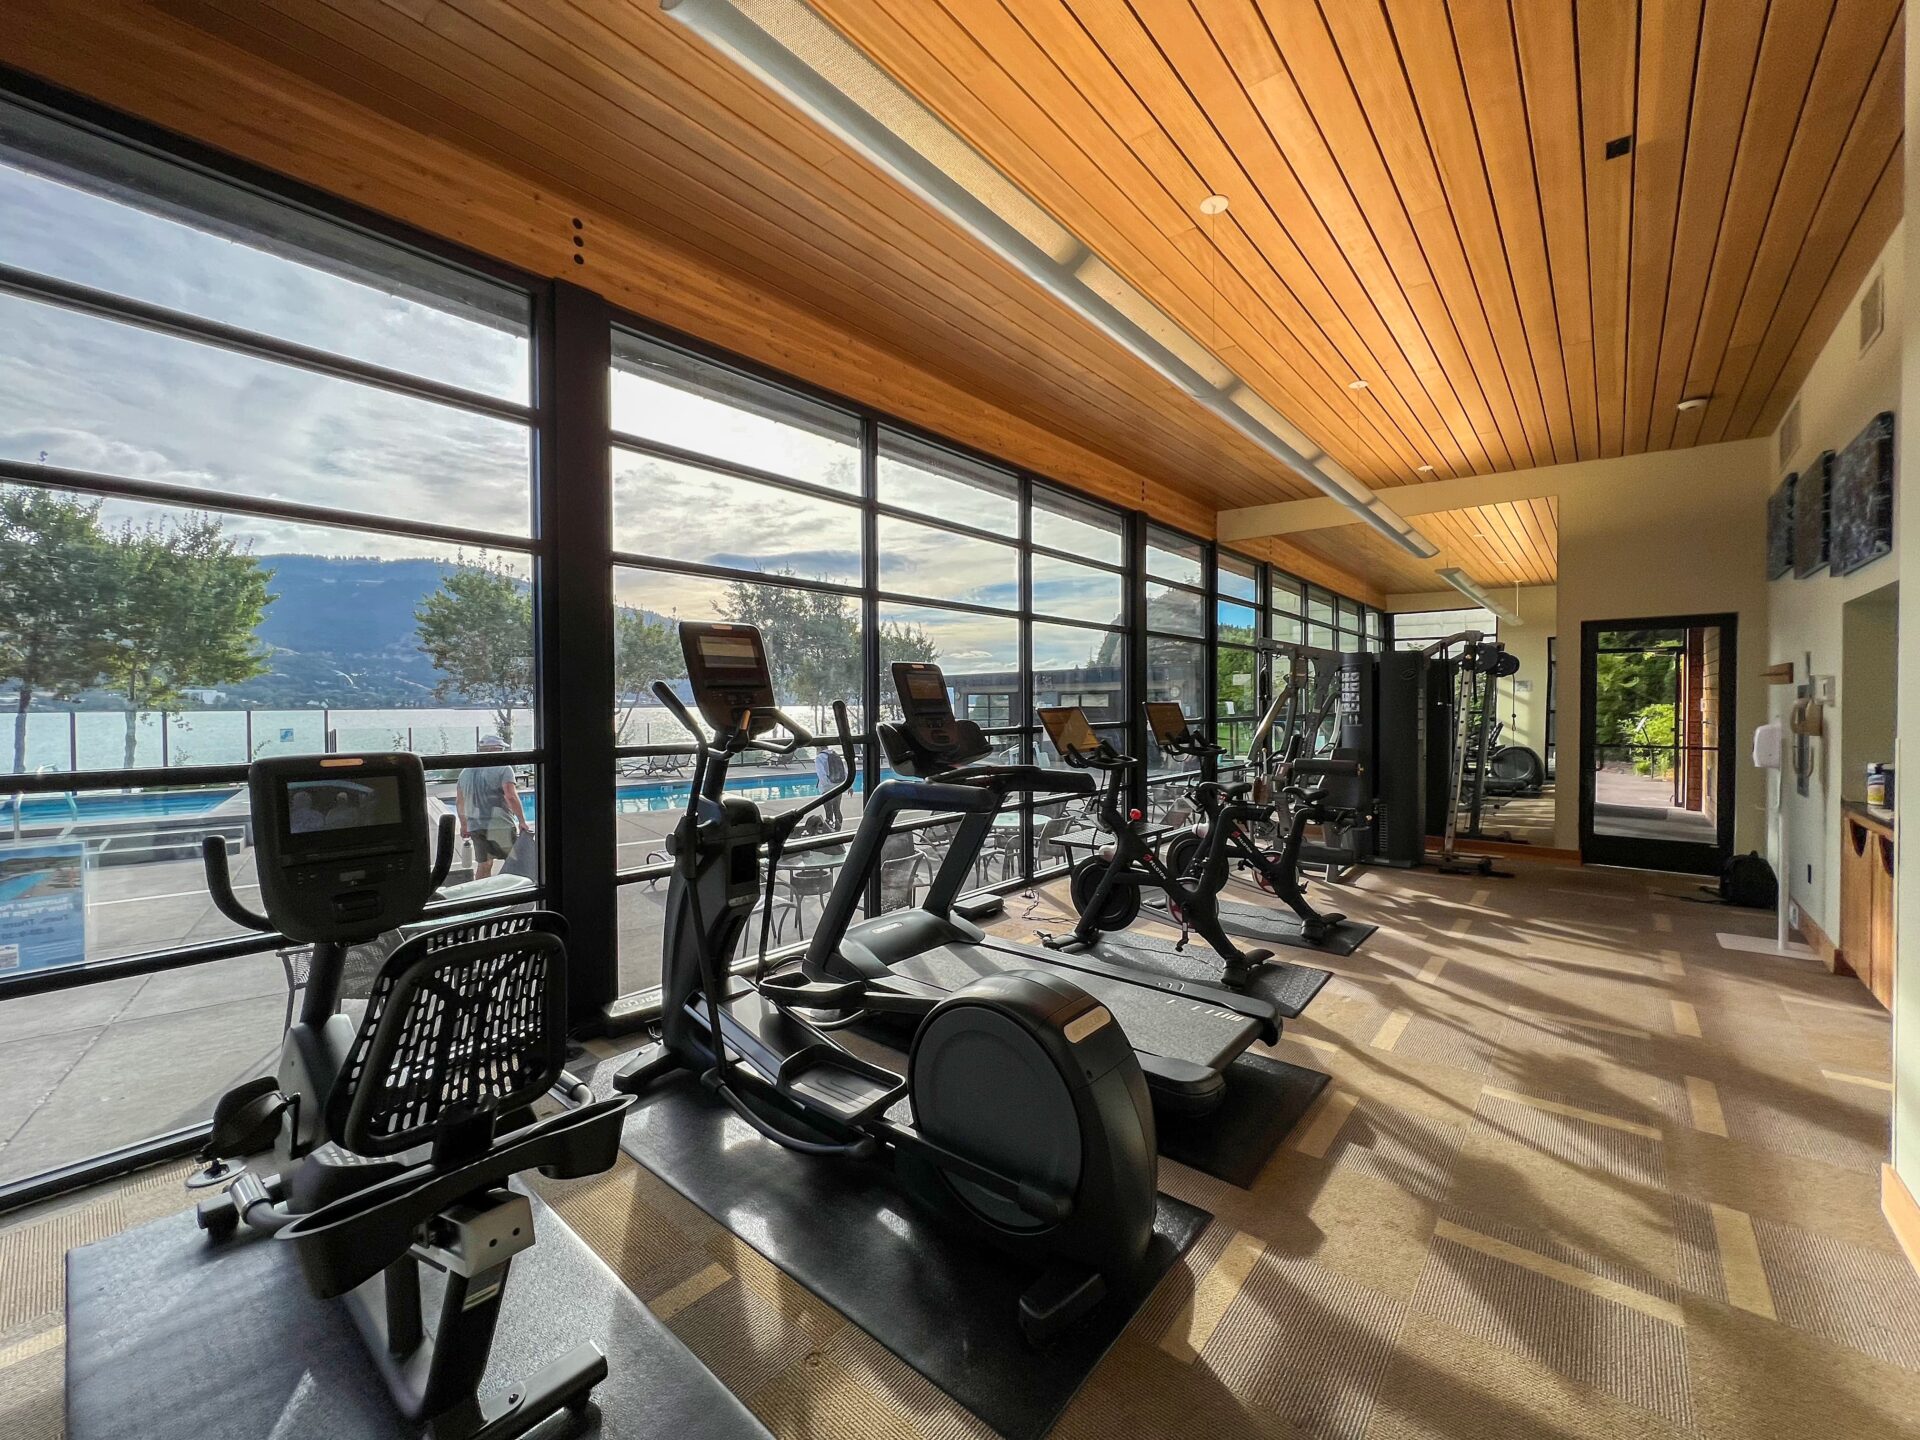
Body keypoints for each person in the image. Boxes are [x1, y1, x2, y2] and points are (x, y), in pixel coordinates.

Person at [456, 736, 532, 879]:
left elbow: (460, 801)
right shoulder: (504, 768)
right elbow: (510, 796)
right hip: (500, 825)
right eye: (501, 749)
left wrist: (464, 825)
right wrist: (522, 821)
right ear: (493, 750)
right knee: (514, 863)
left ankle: (482, 892)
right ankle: (514, 892)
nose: (503, 752)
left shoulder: (465, 772)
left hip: (476, 826)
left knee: (484, 865)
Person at [814, 742, 846, 830]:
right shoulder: (835, 754)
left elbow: (821, 774)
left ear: (819, 748)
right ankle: (838, 828)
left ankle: (830, 830)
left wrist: (825, 787)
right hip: (838, 785)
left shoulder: (819, 758)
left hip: (827, 788)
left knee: (828, 811)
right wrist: (849, 786)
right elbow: (844, 770)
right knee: (837, 809)